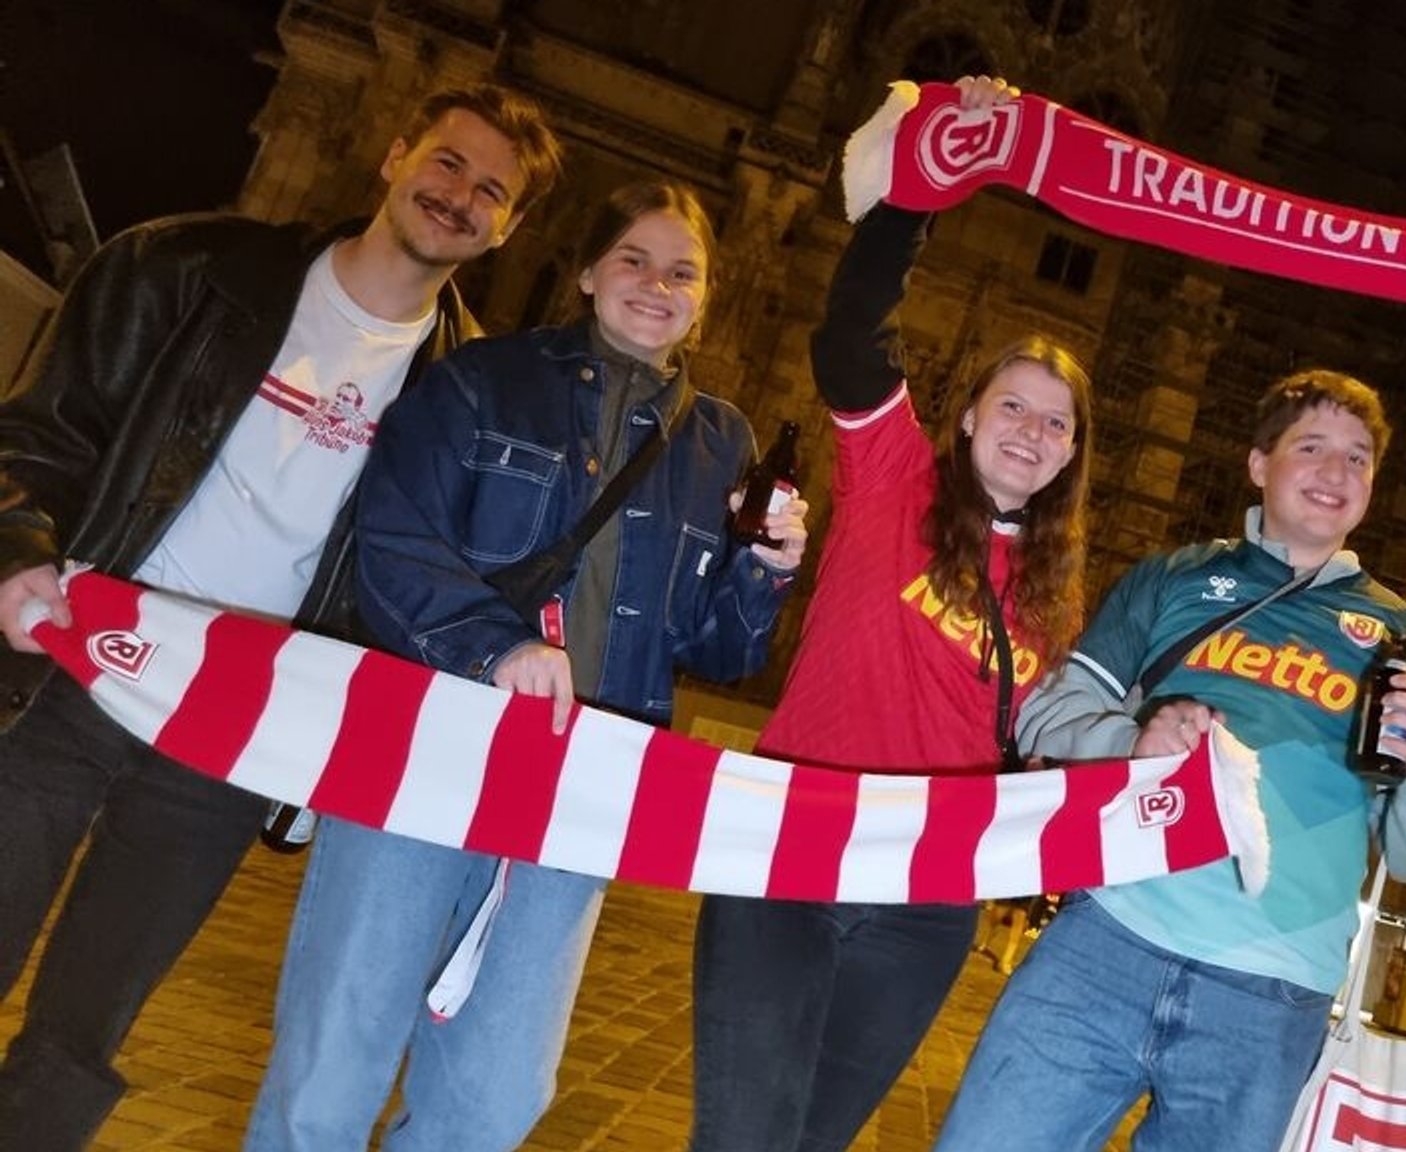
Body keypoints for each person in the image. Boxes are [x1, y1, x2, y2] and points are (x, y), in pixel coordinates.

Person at [0, 83, 560, 1151]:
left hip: (228, 732)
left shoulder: (464, 397)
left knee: (84, 1026)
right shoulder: (180, 268)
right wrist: (19, 554)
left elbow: (431, 584)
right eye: (447, 162)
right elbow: (38, 434)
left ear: (510, 227)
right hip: (70, 665)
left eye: (492, 191)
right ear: (396, 151)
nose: (459, 196)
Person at [240, 178, 807, 1150]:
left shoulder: (724, 443)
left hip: (580, 791)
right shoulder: (481, 378)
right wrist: (494, 645)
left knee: (496, 1095)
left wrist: (765, 572)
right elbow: (393, 542)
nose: (654, 284)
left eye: (682, 272)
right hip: (431, 751)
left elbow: (716, 647)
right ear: (587, 272)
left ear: (706, 297)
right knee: (335, 1060)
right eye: (632, 258)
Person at [686, 76, 1094, 1152]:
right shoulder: (894, 478)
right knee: (740, 1137)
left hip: (925, 896)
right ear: (964, 420)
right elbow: (850, 334)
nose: (1030, 430)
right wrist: (923, 186)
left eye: (1055, 424)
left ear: (1069, 457)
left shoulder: (1055, 597)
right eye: (1012, 404)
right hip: (792, 841)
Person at [934, 370, 1406, 1152]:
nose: (1336, 473)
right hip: (1106, 940)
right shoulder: (1173, 577)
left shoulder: (1405, 638)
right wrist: (1138, 739)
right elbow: (1046, 715)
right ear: (1259, 464)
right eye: (1312, 447)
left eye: (1358, 459)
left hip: (1274, 990)